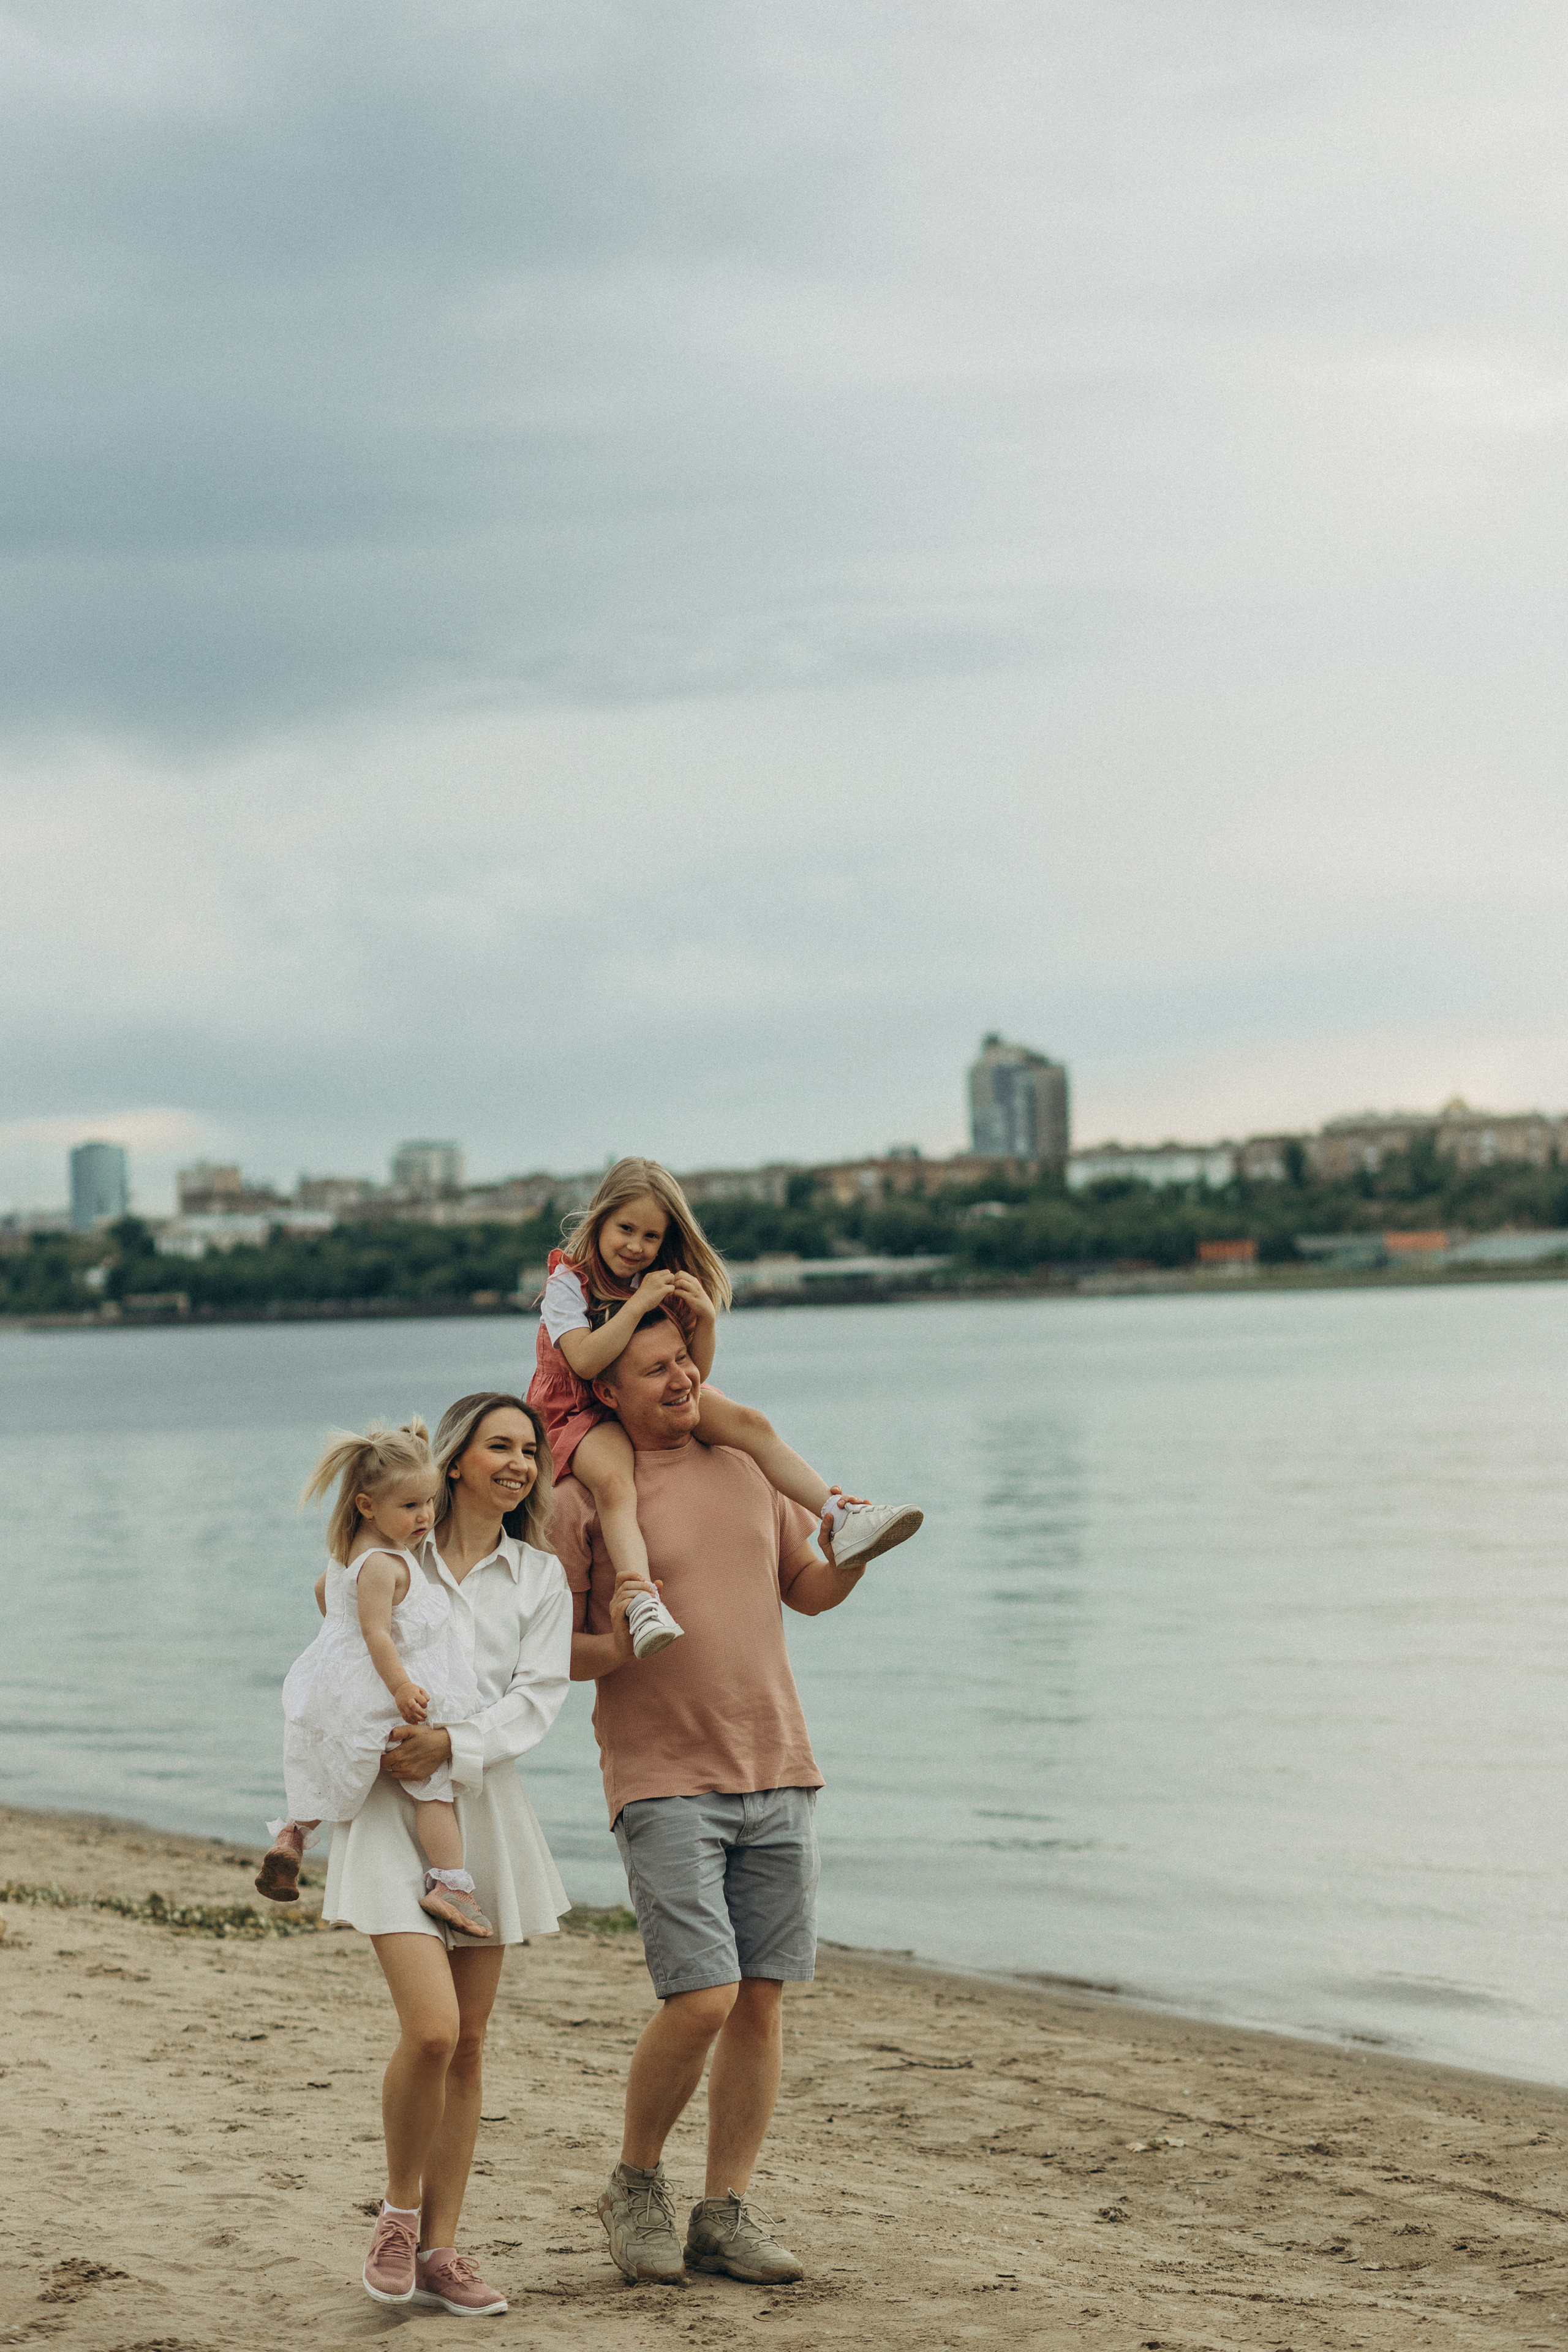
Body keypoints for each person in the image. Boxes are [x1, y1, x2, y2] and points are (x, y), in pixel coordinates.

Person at [551, 1306, 881, 2288]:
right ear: (607, 1388)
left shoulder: (747, 1465)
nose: (680, 1379)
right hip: (661, 1779)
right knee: (702, 1997)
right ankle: (636, 2184)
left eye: (685, 1361)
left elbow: (809, 1591)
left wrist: (860, 1551)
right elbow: (544, 1650)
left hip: (779, 1763)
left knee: (760, 2002)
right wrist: (622, 1644)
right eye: (654, 1369)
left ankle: (723, 2211)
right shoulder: (584, 1500)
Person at [327, 1392, 574, 2318]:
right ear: (459, 1458)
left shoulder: (541, 1578)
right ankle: (397, 2218)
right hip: (391, 1809)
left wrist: (455, 1747)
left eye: (531, 1450)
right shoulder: (391, 1550)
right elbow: (338, 1646)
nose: (520, 1463)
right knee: (430, 2030)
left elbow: (539, 1698)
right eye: (501, 1446)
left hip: (483, 1813)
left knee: (467, 2047)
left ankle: (441, 2250)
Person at [529, 1155, 921, 1658]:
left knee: (750, 1423)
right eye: (625, 1229)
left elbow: (696, 1373)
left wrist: (707, 1321)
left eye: (651, 1237)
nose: (636, 1246)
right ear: (600, 1219)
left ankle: (838, 1515)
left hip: (645, 1396)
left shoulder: (653, 1279)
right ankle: (642, 1600)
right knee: (613, 1482)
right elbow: (583, 1362)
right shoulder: (568, 1283)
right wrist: (639, 1304)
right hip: (579, 1411)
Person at [254, 1420, 494, 1939]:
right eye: (410, 1507)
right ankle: (451, 1884)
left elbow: (326, 1595)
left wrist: (337, 1651)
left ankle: (292, 1837)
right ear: (367, 1505)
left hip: (340, 1685)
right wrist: (402, 1686)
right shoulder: (384, 1564)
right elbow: (378, 1634)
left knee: (328, 1767)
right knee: (432, 1788)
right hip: (382, 1689)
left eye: (430, 1503)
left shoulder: (348, 1554)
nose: (426, 1517)